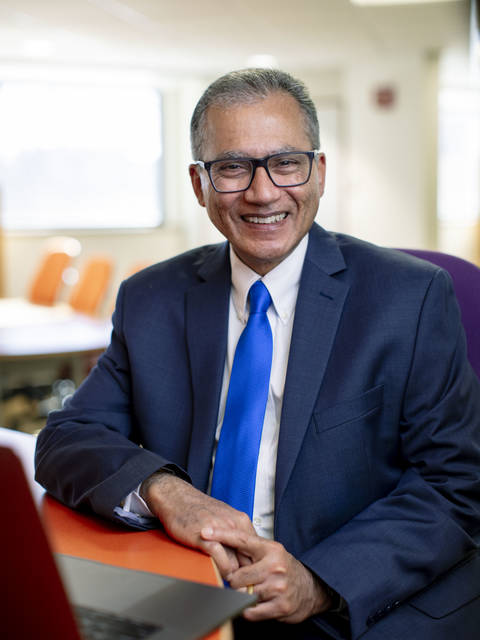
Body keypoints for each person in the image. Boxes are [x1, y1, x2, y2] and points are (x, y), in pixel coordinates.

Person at [35, 68, 480, 640]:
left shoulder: (409, 297)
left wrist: (317, 580)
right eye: (232, 167)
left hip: (353, 603)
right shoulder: (152, 298)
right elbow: (67, 438)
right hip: (193, 584)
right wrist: (168, 493)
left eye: (286, 162)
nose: (263, 191)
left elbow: (454, 485)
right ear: (199, 184)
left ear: (319, 173)